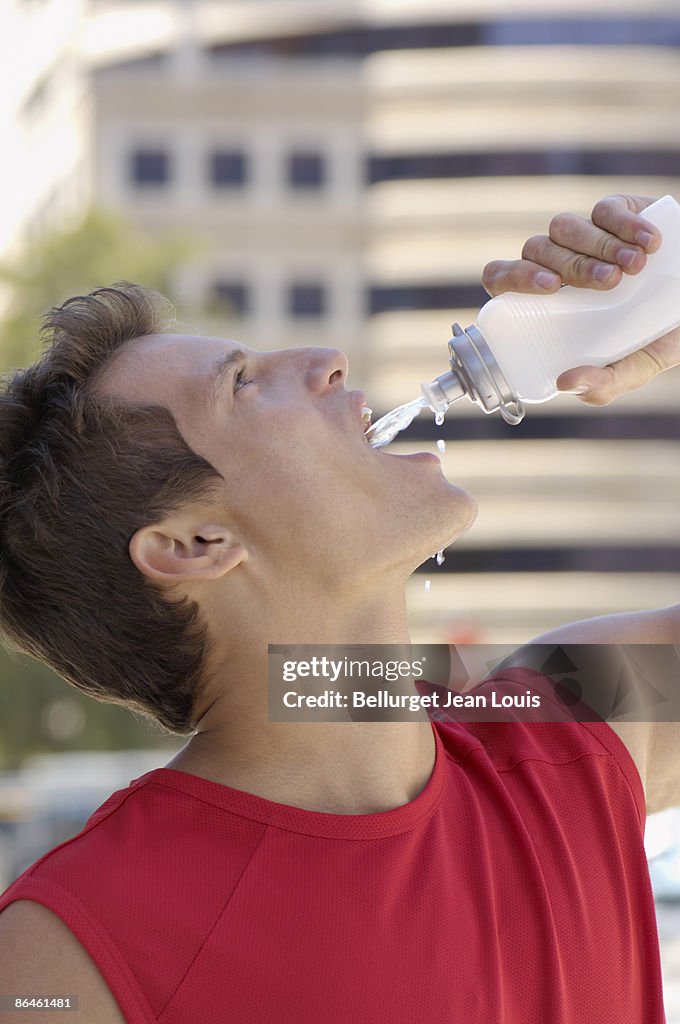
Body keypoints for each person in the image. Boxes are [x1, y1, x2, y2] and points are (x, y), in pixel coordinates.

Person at [0, 192, 677, 1024]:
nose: (326, 359)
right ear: (194, 546)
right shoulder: (68, 948)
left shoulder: (569, 727)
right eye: (244, 384)